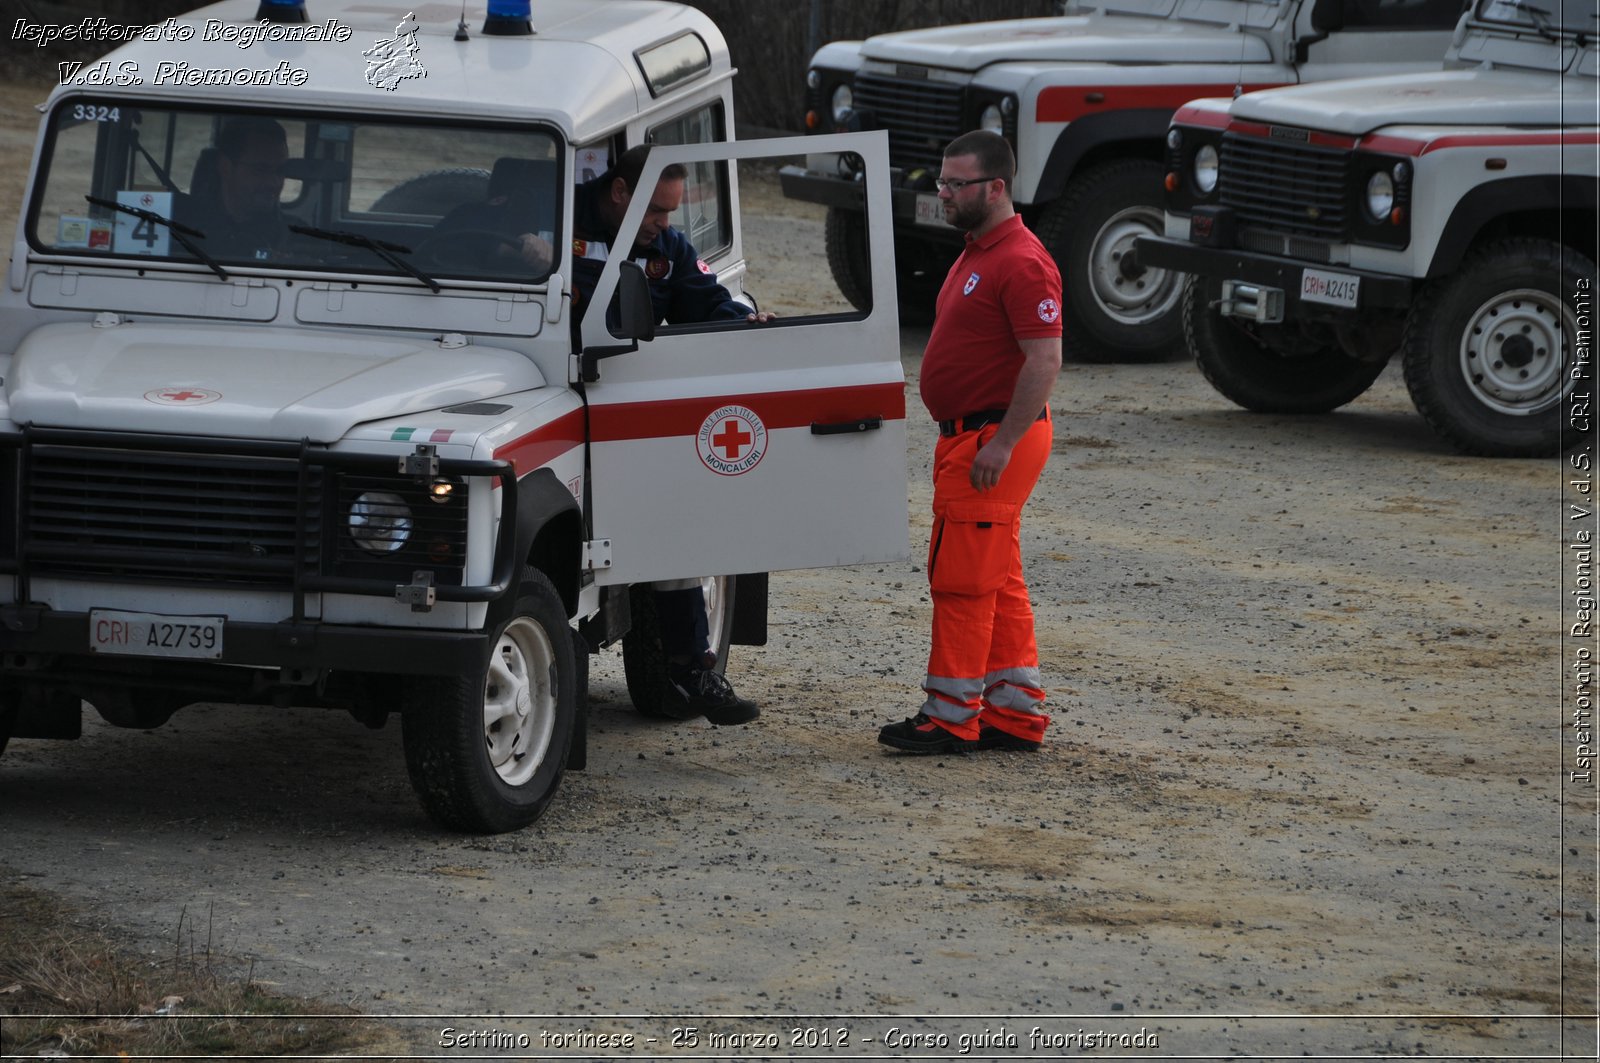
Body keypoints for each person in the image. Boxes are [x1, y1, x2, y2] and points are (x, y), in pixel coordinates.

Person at [571, 145, 774, 726]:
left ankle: (692, 672)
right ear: (619, 193)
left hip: (628, 405)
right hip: (550, 399)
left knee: (678, 531)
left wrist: (748, 325)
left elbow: (706, 301)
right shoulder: (555, 219)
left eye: (670, 213)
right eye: (656, 212)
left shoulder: (667, 246)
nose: (665, 224)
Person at [878, 130, 1062, 755]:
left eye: (957, 184)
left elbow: (1045, 359)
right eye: (942, 182)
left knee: (961, 581)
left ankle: (950, 717)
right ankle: (1014, 714)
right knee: (995, 577)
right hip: (974, 437)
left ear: (996, 187)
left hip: (990, 440)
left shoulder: (1020, 259)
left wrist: (1003, 444)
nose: (945, 193)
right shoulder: (978, 249)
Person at [184, 116, 299, 262]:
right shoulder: (182, 226)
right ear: (225, 167)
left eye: (280, 170)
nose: (274, 182)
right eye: (260, 169)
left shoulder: (296, 235)